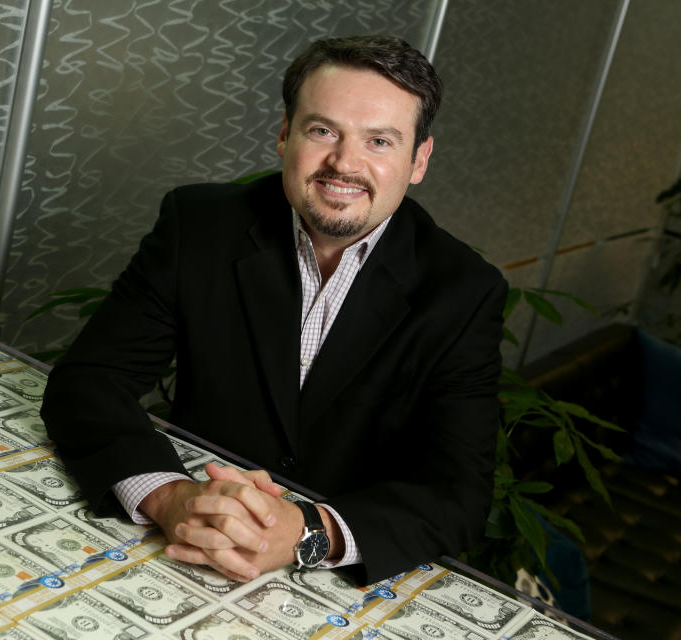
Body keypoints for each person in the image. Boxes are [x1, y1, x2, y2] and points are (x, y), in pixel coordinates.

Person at [41, 35, 507, 586]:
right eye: (322, 130)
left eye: (379, 140)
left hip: (335, 576)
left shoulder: (463, 290)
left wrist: (309, 532)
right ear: (286, 134)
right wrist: (170, 498)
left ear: (418, 160)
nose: (344, 163)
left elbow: (458, 492)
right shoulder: (200, 227)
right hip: (186, 546)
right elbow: (91, 381)